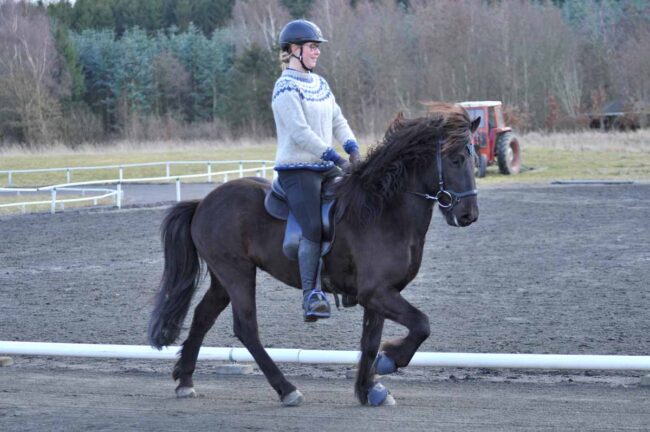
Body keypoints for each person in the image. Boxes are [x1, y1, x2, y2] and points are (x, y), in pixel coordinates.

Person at [272, 19, 360, 322]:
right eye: (312, 47)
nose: (317, 52)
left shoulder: (320, 83)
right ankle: (311, 296)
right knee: (312, 227)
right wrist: (335, 157)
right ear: (294, 49)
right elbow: (300, 133)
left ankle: (349, 279)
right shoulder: (284, 87)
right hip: (297, 170)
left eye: (317, 47)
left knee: (352, 208)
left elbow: (337, 119)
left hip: (326, 166)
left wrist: (352, 147)